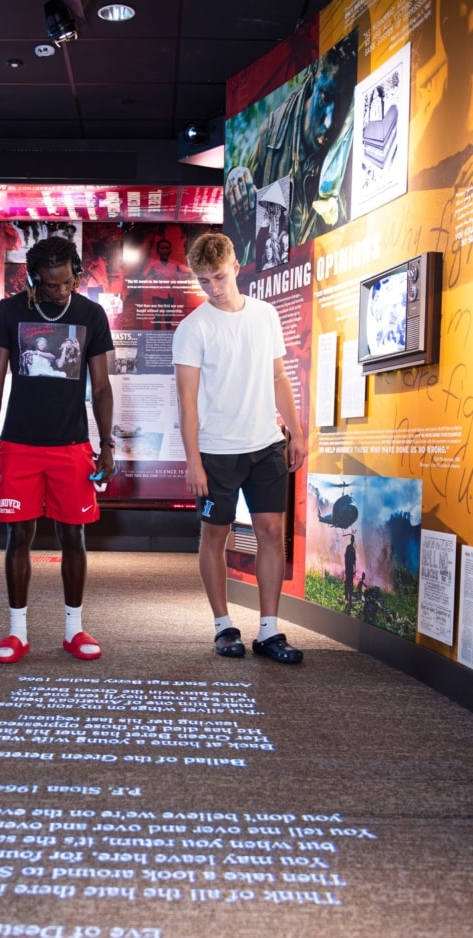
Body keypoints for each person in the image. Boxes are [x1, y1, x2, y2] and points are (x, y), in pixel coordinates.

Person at [172, 232, 306, 664]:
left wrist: (297, 433)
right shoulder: (192, 328)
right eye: (204, 280)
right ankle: (223, 626)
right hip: (216, 451)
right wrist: (194, 461)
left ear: (235, 265)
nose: (212, 287)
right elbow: (187, 402)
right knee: (215, 536)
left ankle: (269, 631)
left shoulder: (265, 315)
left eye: (219, 276)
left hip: (266, 443)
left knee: (271, 534)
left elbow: (279, 378)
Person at [0, 235, 115, 663]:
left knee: (73, 534)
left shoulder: (91, 314)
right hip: (19, 443)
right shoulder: (9, 311)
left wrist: (106, 444)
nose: (61, 291)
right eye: (52, 284)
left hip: (71, 444)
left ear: (76, 271)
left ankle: (74, 630)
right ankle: (17, 632)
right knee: (18, 534)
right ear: (34, 277)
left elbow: (102, 385)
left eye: (68, 281)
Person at [224, 31, 357, 263]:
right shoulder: (273, 134)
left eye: (343, 101)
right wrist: (235, 181)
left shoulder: (354, 137)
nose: (329, 121)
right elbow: (240, 239)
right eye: (326, 96)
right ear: (314, 80)